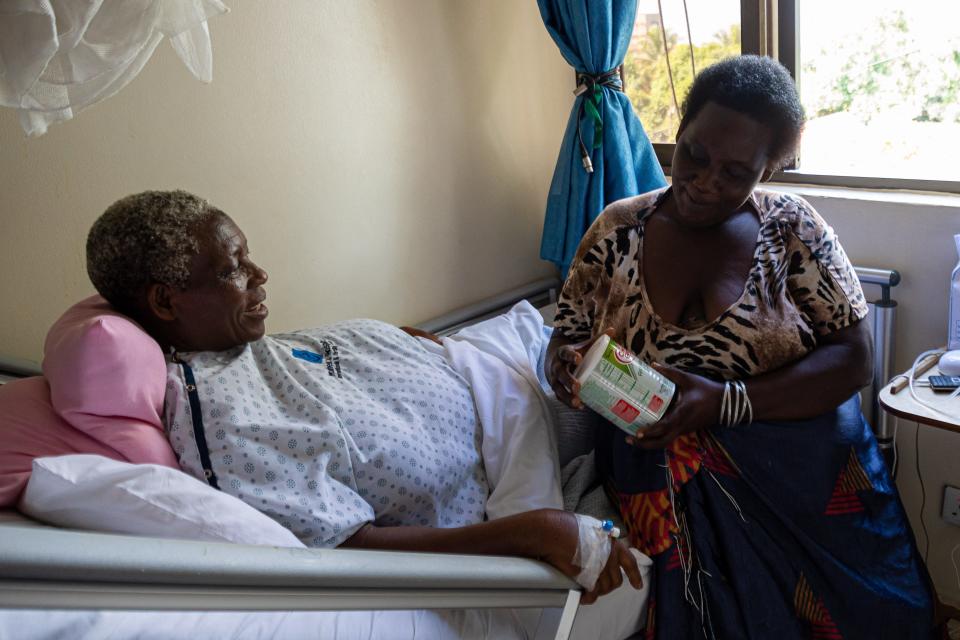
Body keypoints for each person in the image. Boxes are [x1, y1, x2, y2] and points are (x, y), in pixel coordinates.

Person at [83, 189, 643, 609]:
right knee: (674, 422)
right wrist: (534, 531)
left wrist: (416, 343)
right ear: (164, 301)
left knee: (647, 365)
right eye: (234, 268)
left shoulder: (236, 348)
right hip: (523, 430)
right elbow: (354, 546)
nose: (260, 274)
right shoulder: (226, 423)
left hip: (493, 359)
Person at [545, 55, 934, 638]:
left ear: (769, 169)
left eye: (735, 173)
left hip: (797, 473)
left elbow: (856, 358)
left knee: (869, 615)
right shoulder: (616, 230)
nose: (705, 182)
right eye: (696, 155)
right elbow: (568, 332)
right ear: (680, 131)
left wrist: (728, 402)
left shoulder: (793, 231)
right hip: (659, 478)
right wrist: (564, 364)